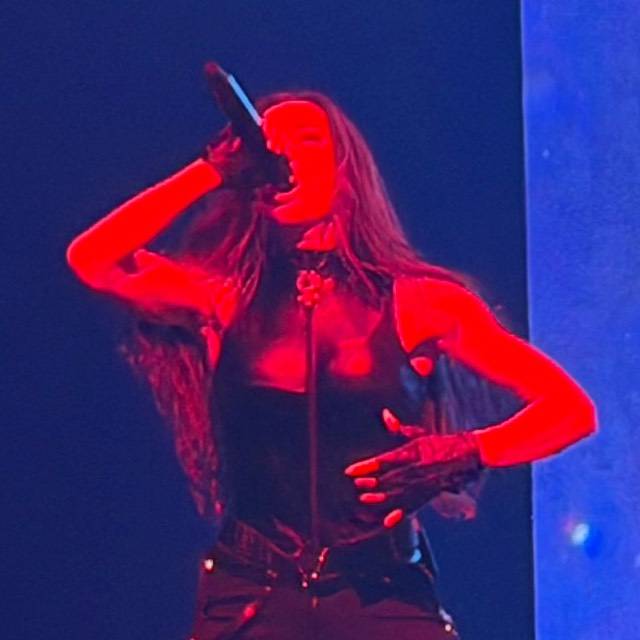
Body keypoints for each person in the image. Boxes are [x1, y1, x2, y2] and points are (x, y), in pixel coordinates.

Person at [66, 91, 597, 639]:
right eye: (271, 144)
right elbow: (93, 259)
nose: (285, 155)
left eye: (307, 141)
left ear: (347, 170)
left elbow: (569, 409)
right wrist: (211, 170)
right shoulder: (226, 297)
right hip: (252, 591)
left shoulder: (421, 302)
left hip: (382, 593)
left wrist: (466, 451)